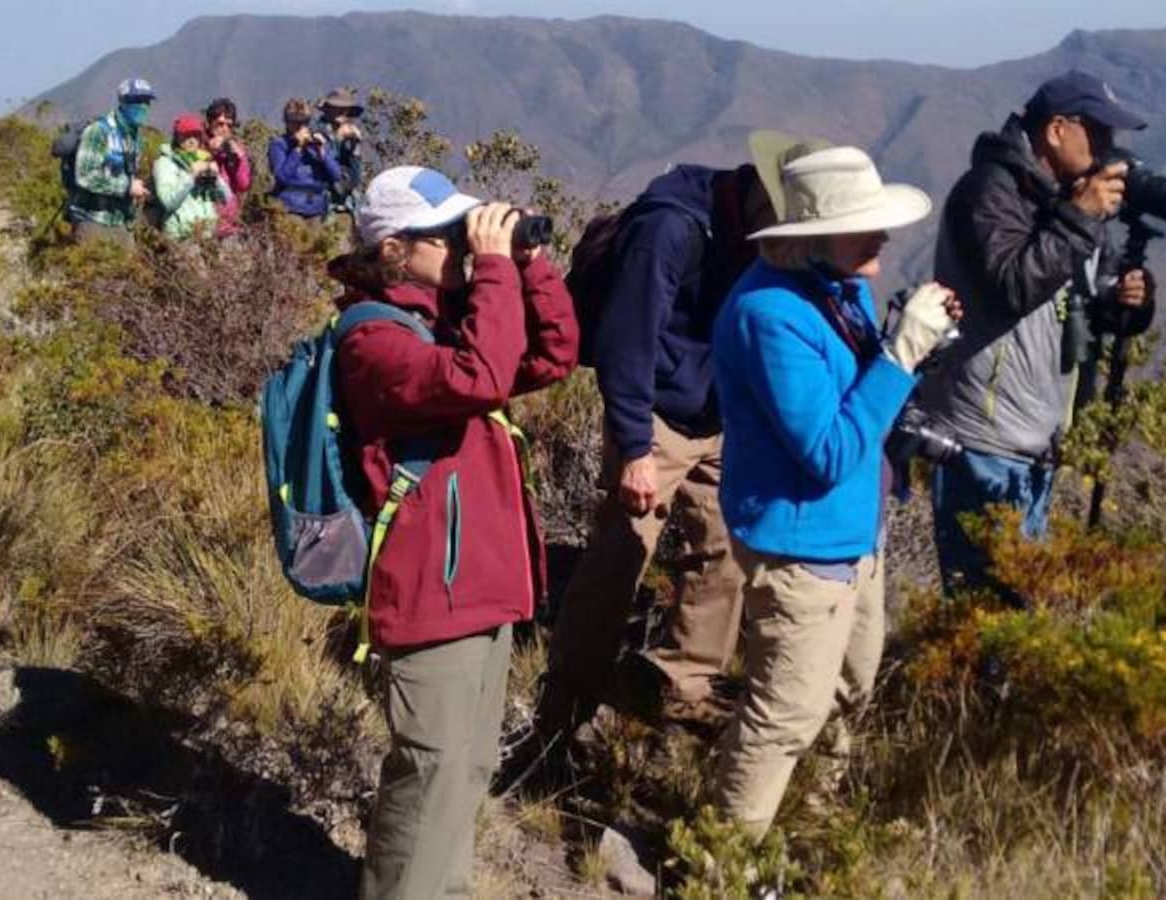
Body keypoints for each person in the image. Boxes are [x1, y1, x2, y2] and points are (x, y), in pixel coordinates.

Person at [333, 166, 578, 899]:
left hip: (484, 584)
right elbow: (479, 378)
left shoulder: (443, 320)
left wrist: (526, 266)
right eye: (446, 235)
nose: (462, 246)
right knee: (431, 768)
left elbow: (552, 354)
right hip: (430, 591)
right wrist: (497, 272)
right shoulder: (371, 341)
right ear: (394, 251)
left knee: (467, 767)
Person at [534, 131, 827, 740]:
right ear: (762, 195)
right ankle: (561, 714)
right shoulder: (671, 228)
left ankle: (679, 686)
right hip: (658, 419)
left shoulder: (762, 240)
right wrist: (636, 449)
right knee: (620, 557)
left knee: (725, 551)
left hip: (724, 416)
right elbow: (627, 343)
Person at [709, 146, 959, 837]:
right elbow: (826, 453)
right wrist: (900, 354)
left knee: (848, 693)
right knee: (784, 714)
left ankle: (808, 825)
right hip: (802, 546)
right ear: (813, 236)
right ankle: (718, 863)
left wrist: (909, 351)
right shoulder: (772, 315)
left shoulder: (837, 288)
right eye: (864, 223)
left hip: (853, 536)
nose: (882, 235)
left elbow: (858, 402)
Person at [920, 70, 1154, 594]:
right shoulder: (988, 192)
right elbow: (1011, 288)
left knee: (1022, 609)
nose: (1108, 150)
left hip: (1038, 441)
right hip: (981, 438)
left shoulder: (1066, 200)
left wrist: (1130, 301)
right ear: (1056, 130)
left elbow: (1081, 305)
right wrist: (1079, 216)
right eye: (1097, 133)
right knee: (983, 614)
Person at [67, 77, 156, 246]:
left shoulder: (136, 138)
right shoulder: (99, 131)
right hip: (94, 223)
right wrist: (126, 187)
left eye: (147, 101)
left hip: (122, 224)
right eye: (137, 100)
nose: (143, 106)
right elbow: (85, 176)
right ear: (123, 101)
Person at [151, 114, 231, 241]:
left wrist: (217, 179)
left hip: (206, 236)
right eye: (186, 135)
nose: (192, 140)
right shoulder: (165, 163)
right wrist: (191, 176)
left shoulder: (204, 159)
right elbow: (168, 202)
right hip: (179, 237)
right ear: (177, 137)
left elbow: (226, 199)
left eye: (196, 135)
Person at [267, 98, 341, 224]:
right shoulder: (279, 144)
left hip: (316, 209)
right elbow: (282, 177)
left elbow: (336, 175)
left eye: (304, 122)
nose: (300, 127)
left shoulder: (316, 144)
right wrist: (298, 149)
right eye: (295, 122)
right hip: (290, 207)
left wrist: (322, 153)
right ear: (287, 122)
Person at [204, 98, 253, 236]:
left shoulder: (235, 149)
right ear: (209, 123)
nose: (224, 129)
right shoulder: (198, 146)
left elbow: (243, 184)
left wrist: (240, 158)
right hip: (204, 224)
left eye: (229, 125)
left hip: (229, 224)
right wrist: (210, 153)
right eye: (220, 124)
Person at [314, 87, 365, 216]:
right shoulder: (316, 132)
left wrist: (355, 148)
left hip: (347, 203)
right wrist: (338, 139)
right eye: (337, 108)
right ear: (328, 110)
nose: (342, 112)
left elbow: (355, 178)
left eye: (345, 109)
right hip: (321, 200)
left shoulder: (350, 135)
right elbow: (325, 164)